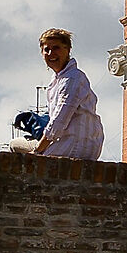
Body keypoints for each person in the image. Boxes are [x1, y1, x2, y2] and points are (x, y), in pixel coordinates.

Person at [32, 28, 106, 160]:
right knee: (16, 145)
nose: (51, 53)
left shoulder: (72, 78)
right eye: (46, 50)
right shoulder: (56, 81)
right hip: (64, 143)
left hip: (75, 146)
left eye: (56, 48)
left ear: (67, 50)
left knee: (23, 159)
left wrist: (37, 151)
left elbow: (58, 122)